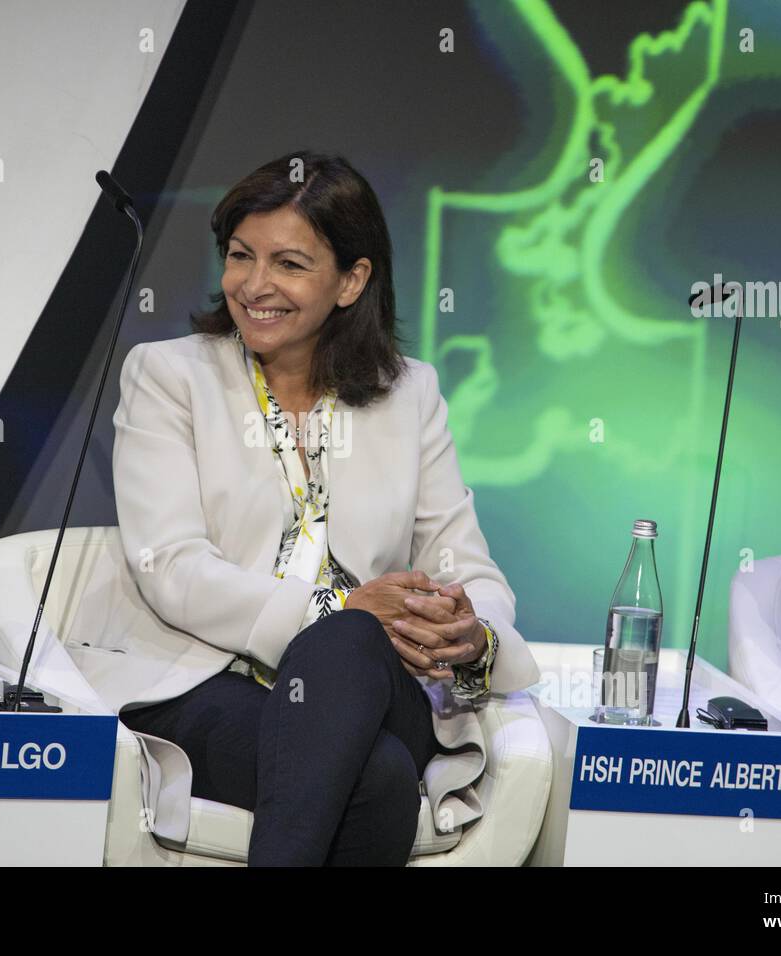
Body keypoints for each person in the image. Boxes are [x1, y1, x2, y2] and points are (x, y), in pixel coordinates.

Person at [106, 151, 540, 865]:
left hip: (373, 684)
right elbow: (172, 568)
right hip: (211, 677)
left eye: (289, 264)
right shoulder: (170, 376)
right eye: (240, 256)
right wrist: (337, 612)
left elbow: (467, 566)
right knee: (379, 781)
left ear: (352, 280)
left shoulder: (409, 393)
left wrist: (470, 636)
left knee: (352, 644)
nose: (255, 285)